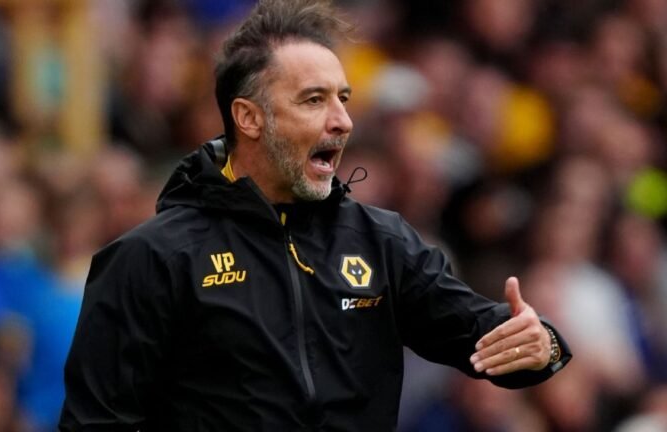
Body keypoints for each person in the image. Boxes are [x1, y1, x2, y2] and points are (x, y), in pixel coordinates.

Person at [59, 0, 572, 430]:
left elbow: (488, 337)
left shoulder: (383, 242)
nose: (343, 121)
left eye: (343, 99)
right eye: (314, 100)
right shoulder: (150, 258)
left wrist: (541, 343)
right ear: (249, 118)